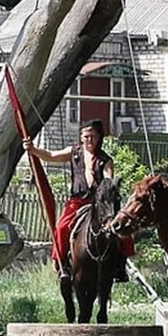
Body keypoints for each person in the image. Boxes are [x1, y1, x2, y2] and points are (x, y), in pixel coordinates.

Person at [22, 119, 133, 282]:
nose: (89, 140)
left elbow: (109, 180)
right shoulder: (73, 152)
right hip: (77, 202)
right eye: (86, 136)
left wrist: (106, 185)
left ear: (99, 137)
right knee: (61, 228)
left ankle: (120, 266)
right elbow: (51, 156)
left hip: (98, 204)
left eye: (93, 136)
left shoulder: (105, 160)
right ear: (81, 137)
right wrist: (32, 149)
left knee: (122, 230)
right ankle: (60, 264)